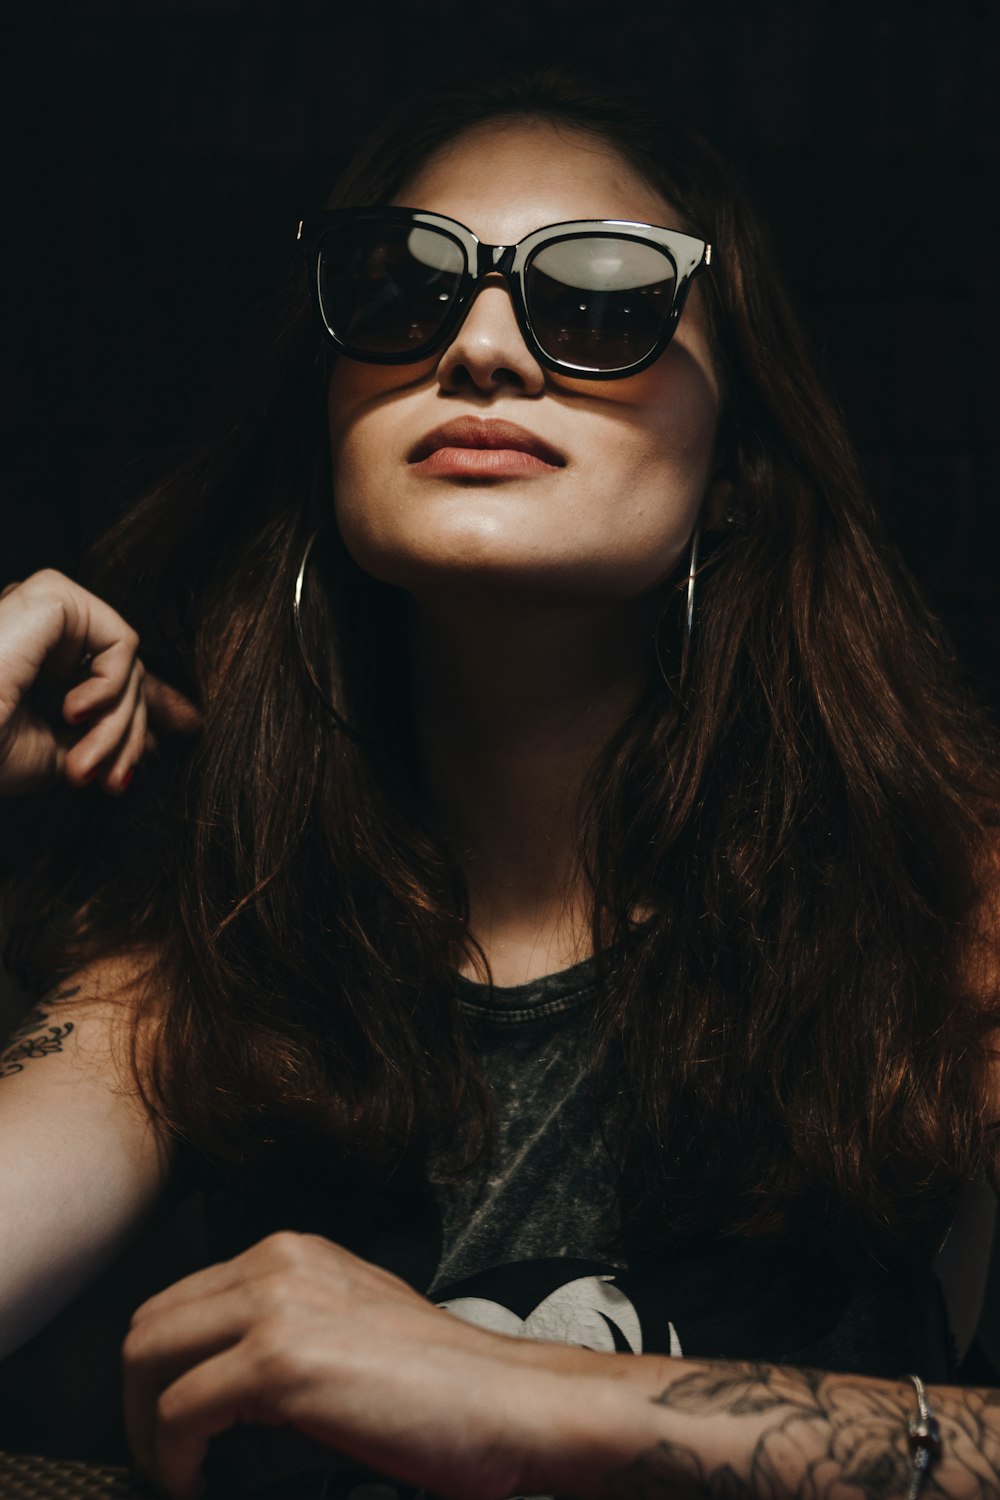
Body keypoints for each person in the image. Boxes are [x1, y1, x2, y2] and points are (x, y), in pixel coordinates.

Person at [2, 62, 1000, 1500]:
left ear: (734, 463)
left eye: (601, 300)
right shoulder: (220, 926)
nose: (480, 349)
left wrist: (523, 1393)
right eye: (401, 293)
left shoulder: (936, 885)